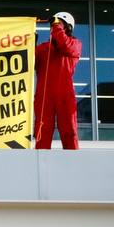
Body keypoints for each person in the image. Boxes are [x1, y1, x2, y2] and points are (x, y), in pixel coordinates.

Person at [34, 11, 81, 150]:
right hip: (44, 97)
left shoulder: (75, 44)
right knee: (42, 133)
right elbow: (29, 64)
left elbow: (64, 45)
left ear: (68, 28)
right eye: (53, 26)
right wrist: (31, 44)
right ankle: (39, 165)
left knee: (69, 133)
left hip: (65, 97)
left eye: (59, 24)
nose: (53, 28)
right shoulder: (43, 48)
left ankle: (74, 165)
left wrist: (56, 26)